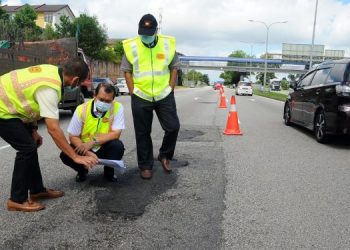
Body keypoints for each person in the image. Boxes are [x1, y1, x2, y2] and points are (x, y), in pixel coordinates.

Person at [0, 58, 98, 212]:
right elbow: (53, 129)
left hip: (9, 108)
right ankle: (16, 199)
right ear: (75, 79)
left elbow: (28, 100)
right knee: (27, 148)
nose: (76, 86)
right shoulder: (50, 88)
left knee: (31, 146)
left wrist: (33, 130)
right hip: (2, 111)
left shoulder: (51, 70)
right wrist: (75, 156)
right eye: (79, 84)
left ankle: (37, 190)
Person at [121, 13, 180, 180]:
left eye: (149, 33)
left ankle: (165, 155)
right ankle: (146, 166)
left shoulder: (167, 44)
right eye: (143, 33)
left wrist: (170, 87)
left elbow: (174, 66)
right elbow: (126, 70)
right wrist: (132, 92)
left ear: (156, 31)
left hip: (164, 94)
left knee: (173, 127)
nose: (145, 36)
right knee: (142, 132)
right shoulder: (131, 46)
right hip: (141, 95)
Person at [60, 83, 125, 182]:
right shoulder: (81, 109)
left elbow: (116, 134)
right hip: (84, 147)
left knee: (118, 146)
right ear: (94, 95)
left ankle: (109, 171)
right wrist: (86, 151)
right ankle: (82, 170)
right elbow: (73, 136)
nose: (104, 103)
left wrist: (93, 141)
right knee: (65, 154)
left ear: (113, 100)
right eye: (101, 99)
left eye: (108, 101)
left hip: (103, 145)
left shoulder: (117, 107)